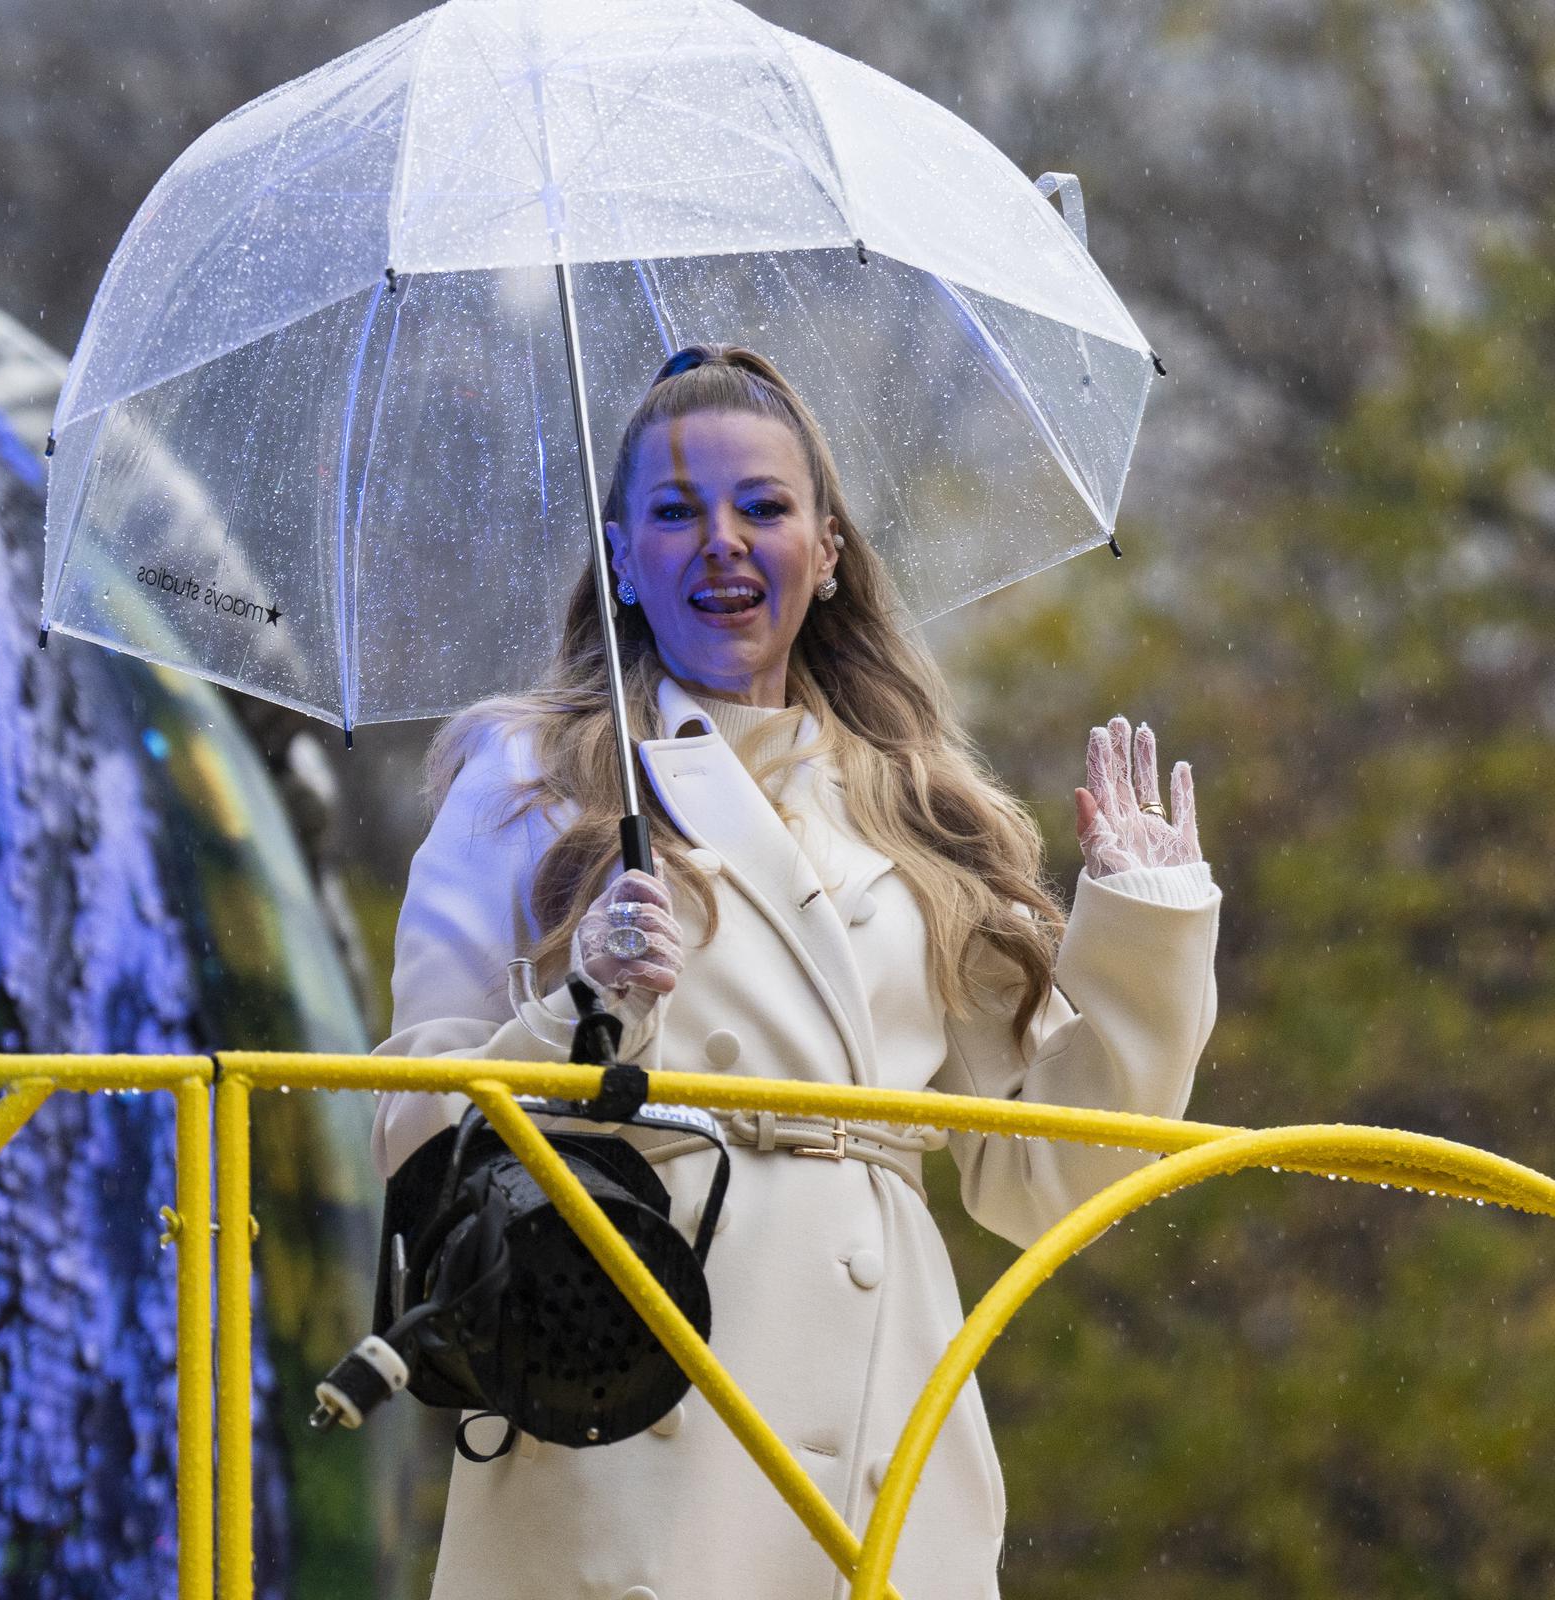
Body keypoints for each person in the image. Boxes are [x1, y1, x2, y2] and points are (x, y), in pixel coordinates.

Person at [371, 344, 1221, 1600]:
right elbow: (409, 1124)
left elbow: (1042, 1173)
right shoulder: (523, 783)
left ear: (827, 551)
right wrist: (578, 1010)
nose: (722, 540)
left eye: (762, 507)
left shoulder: (922, 809)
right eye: (675, 511)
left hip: (876, 1431)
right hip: (631, 1403)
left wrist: (1143, 929)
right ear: (621, 557)